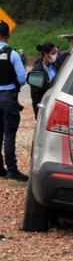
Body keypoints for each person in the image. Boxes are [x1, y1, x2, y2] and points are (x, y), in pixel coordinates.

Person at [0, 21, 28, 182]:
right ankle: (12, 170)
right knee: (9, 134)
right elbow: (22, 79)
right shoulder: (13, 54)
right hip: (8, 98)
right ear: (8, 36)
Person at [31, 42, 58, 119]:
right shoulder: (37, 71)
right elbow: (35, 96)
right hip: (45, 106)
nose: (55, 55)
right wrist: (38, 115)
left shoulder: (55, 65)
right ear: (46, 54)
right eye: (53, 53)